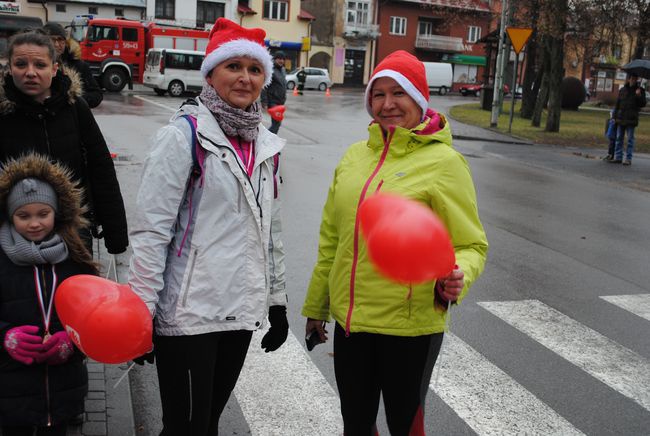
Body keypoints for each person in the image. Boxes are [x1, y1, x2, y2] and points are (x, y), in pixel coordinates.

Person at [301, 50, 488, 435]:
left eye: (398, 93)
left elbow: (472, 245)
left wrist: (458, 276)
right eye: (378, 94)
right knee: (355, 424)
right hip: (352, 326)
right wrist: (317, 307)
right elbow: (332, 242)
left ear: (419, 99)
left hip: (410, 329)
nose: (387, 104)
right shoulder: (355, 157)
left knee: (405, 426)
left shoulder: (445, 163)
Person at [128, 18, 288, 435]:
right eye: (233, 66)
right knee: (182, 428)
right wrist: (139, 313)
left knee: (209, 423)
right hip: (187, 313)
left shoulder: (264, 144)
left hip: (238, 312)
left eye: (255, 70)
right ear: (211, 73)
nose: (245, 77)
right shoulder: (183, 136)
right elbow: (151, 232)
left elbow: (269, 230)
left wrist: (276, 301)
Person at [0, 31, 128, 256]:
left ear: (54, 68)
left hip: (73, 233)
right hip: (14, 237)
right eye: (21, 64)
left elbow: (101, 170)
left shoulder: (75, 108)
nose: (30, 72)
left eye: (40, 65)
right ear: (10, 68)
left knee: (73, 290)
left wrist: (115, 232)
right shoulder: (3, 114)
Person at [0, 154, 99, 436]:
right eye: (24, 215)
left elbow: (93, 316)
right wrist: (6, 337)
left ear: (56, 212)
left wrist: (72, 341)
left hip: (62, 382)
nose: (34, 223)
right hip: (11, 382)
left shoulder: (74, 256)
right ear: (10, 215)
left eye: (43, 214)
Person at [42, 22, 103, 109]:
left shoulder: (79, 66)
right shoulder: (36, 65)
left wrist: (73, 100)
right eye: (51, 39)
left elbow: (97, 94)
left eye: (60, 40)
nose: (56, 44)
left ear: (65, 42)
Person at [608, 73, 647, 165]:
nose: (634, 80)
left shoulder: (640, 90)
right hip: (621, 117)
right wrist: (614, 116)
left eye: (635, 79)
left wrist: (638, 95)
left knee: (630, 140)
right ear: (629, 79)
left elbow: (642, 104)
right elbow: (617, 104)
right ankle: (618, 157)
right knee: (619, 138)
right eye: (632, 78)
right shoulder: (623, 90)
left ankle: (628, 159)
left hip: (631, 118)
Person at [261, 50, 287, 134]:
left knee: (277, 123)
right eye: (279, 59)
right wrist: (264, 101)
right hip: (273, 101)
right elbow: (265, 86)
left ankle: (269, 140)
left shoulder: (282, 70)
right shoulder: (271, 70)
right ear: (275, 59)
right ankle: (266, 140)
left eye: (283, 59)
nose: (281, 61)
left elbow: (283, 85)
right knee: (276, 123)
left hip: (280, 101)